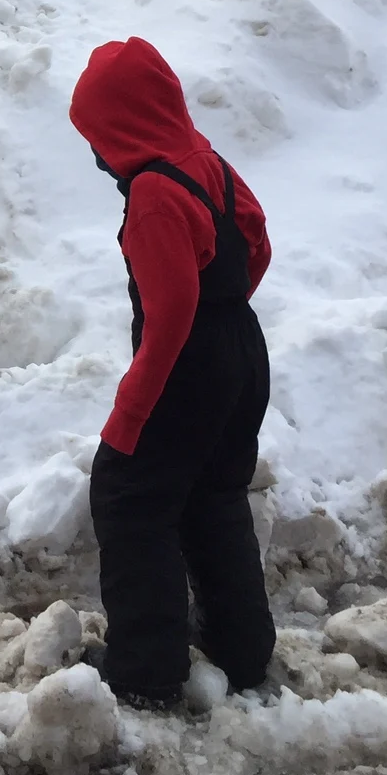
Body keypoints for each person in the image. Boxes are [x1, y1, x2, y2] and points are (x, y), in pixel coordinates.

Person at [69, 37, 275, 711]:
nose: (96, 152)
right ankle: (243, 652)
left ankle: (145, 671)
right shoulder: (204, 159)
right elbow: (256, 236)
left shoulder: (155, 192)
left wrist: (133, 408)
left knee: (131, 498)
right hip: (241, 347)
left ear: (122, 123)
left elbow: (171, 311)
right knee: (214, 494)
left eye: (98, 134)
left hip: (188, 358)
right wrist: (230, 319)